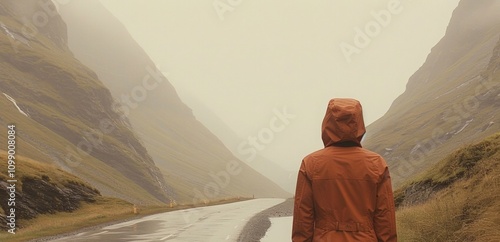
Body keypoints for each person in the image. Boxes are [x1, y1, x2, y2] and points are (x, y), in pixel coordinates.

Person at [292, 98, 397, 242]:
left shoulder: (310, 163)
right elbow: (385, 217)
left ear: (327, 122)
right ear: (359, 123)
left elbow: (302, 218)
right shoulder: (376, 163)